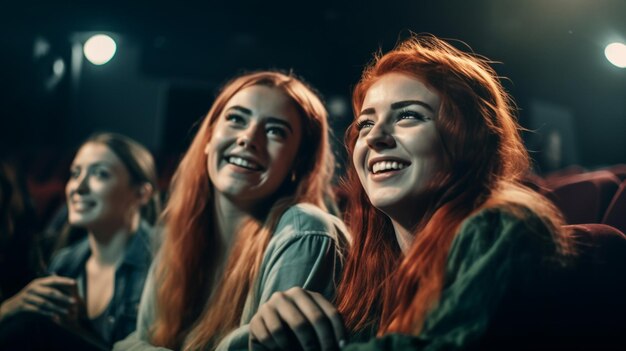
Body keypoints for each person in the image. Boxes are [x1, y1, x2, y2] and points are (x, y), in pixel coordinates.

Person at [248, 35, 576, 350]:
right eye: (365, 124)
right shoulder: (373, 267)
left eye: (408, 115)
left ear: (468, 138)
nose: (375, 137)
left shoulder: (506, 225)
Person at [113, 71, 348, 351]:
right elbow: (134, 340)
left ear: (299, 162)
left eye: (275, 131)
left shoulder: (305, 232)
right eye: (236, 118)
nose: (249, 138)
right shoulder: (176, 235)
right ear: (210, 138)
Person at [0, 132, 161, 350]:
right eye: (75, 174)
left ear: (141, 194)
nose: (79, 187)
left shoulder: (162, 263)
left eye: (100, 174)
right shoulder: (64, 263)